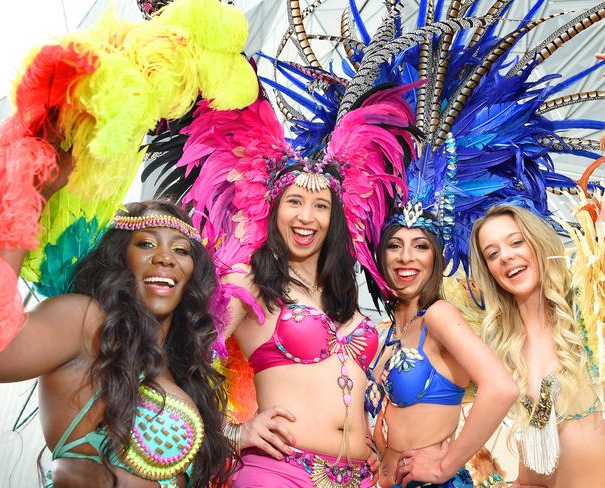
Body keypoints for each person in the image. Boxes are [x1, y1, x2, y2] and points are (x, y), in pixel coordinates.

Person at [141, 85, 419, 487]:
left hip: (359, 478)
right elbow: (183, 355)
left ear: (334, 218)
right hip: (280, 472)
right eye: (294, 202)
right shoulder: (250, 282)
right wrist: (232, 432)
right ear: (273, 209)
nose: (307, 217)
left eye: (320, 205)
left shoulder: (342, 297)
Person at [469, 25, 605, 488]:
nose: (506, 257)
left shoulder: (586, 309)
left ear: (536, 245)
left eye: (515, 242)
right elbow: (535, 468)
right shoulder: (502, 347)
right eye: (492, 253)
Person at [0, 191, 234, 487]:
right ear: (120, 258)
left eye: (181, 251)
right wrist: (25, 197)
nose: (165, 258)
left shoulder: (182, 369)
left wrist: (241, 433)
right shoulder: (87, 321)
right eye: (146, 244)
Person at [366, 141, 518, 488]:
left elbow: (501, 387)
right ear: (381, 256)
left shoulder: (439, 316)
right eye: (394, 245)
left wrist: (445, 466)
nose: (406, 257)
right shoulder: (382, 331)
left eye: (420, 246)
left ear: (435, 258)